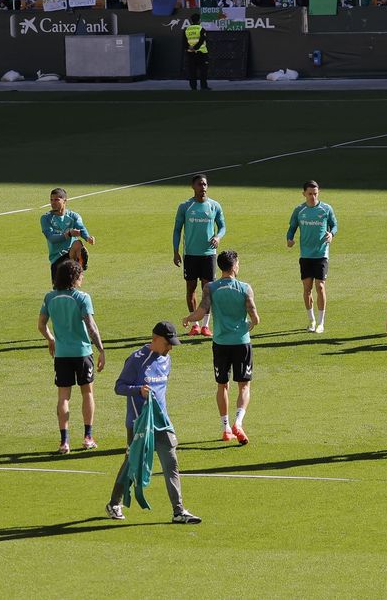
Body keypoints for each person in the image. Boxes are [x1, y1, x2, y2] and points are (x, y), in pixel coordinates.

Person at [105, 322, 201, 524]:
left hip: (161, 421)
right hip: (139, 423)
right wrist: (138, 390)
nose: (170, 348)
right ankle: (114, 503)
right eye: (168, 343)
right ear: (155, 339)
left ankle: (178, 510)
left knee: (171, 462)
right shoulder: (136, 360)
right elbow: (119, 387)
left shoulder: (167, 359)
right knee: (133, 463)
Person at [184, 250, 259, 444]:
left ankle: (226, 428)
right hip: (241, 342)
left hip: (220, 343)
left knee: (222, 385)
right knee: (244, 385)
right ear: (234, 266)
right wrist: (252, 323)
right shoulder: (245, 288)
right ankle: (239, 423)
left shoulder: (211, 287)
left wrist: (188, 318)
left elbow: (201, 312)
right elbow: (254, 316)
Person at [38, 258, 107, 454]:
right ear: (75, 277)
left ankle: (64, 442)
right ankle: (88, 437)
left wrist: (51, 340)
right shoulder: (82, 297)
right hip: (83, 353)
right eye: (81, 275)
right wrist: (101, 349)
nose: (83, 278)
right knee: (87, 393)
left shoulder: (49, 297)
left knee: (63, 397)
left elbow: (41, 325)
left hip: (61, 355)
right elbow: (91, 327)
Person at [172, 174, 227, 336]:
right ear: (193, 187)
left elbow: (223, 226)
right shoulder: (185, 206)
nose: (203, 187)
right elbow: (177, 230)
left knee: (208, 290)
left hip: (209, 255)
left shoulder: (214, 206)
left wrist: (218, 236)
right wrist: (175, 252)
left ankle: (205, 325)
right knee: (191, 289)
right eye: (199, 184)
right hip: (190, 255)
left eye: (205, 184)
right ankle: (195, 324)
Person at [285, 180, 337, 332]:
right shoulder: (299, 210)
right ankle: (312, 320)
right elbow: (292, 227)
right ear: (304, 194)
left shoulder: (326, 209)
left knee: (320, 286)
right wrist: (289, 239)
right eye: (310, 194)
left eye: (315, 194)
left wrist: (331, 234)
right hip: (306, 255)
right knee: (307, 289)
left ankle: (321, 323)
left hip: (321, 254)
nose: (313, 197)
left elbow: (335, 225)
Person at [41, 187, 94, 285]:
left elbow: (80, 228)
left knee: (78, 243)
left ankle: (80, 267)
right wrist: (68, 234)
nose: (53, 202)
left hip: (70, 254)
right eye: (51, 200)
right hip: (56, 258)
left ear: (65, 201)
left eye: (57, 199)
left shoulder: (73, 216)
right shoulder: (46, 218)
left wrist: (87, 238)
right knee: (57, 292)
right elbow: (52, 238)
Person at [183, 12, 210, 90]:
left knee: (192, 71)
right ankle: (203, 86)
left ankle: (193, 87)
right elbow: (202, 40)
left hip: (190, 53)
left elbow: (184, 42)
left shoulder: (186, 29)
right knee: (203, 71)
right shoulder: (201, 29)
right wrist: (195, 47)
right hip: (201, 53)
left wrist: (190, 47)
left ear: (191, 21)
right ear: (199, 21)